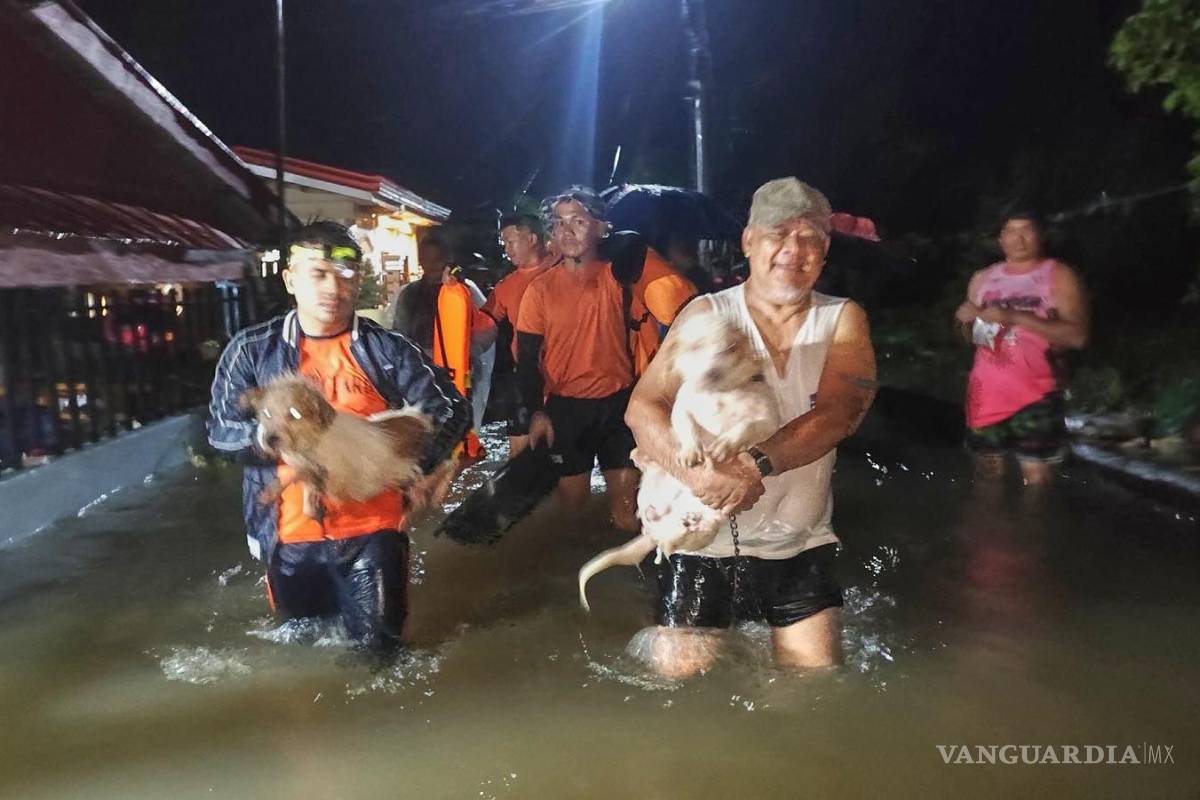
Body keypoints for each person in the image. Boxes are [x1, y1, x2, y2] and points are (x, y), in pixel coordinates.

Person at [624, 177, 876, 677]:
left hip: (799, 541)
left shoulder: (842, 318)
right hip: (702, 540)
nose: (793, 249)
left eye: (809, 238)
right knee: (674, 688)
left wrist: (753, 464)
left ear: (825, 252)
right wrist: (695, 475)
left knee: (815, 687)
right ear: (748, 242)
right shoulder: (705, 314)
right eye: (778, 234)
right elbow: (642, 407)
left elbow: (840, 412)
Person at [207, 221, 470, 653]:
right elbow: (219, 433)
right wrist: (279, 442)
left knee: (381, 659)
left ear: (359, 281)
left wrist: (420, 470)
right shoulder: (250, 350)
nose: (334, 286)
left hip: (375, 529)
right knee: (301, 653)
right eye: (318, 273)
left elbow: (451, 408)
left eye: (345, 274)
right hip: (288, 539)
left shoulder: (388, 349)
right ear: (291, 280)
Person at [515, 187, 664, 531]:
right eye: (559, 223)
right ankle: (574, 575)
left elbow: (635, 251)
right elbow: (526, 360)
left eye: (579, 221)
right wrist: (536, 411)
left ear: (600, 228)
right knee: (574, 510)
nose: (567, 231)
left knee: (628, 513)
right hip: (566, 410)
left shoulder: (620, 278)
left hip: (619, 407)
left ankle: (632, 577)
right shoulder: (539, 290)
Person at [953, 209, 1089, 486]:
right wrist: (963, 321)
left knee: (1037, 485)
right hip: (985, 395)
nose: (1019, 238)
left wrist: (1015, 317)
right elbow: (972, 339)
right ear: (1000, 239)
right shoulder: (982, 279)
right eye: (1011, 231)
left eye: (1027, 229)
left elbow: (1078, 337)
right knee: (986, 482)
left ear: (1041, 235)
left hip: (1037, 394)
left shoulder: (1059, 276)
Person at [389, 232, 495, 458]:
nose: (432, 266)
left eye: (436, 259)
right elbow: (398, 332)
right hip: (420, 375)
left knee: (460, 432)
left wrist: (467, 352)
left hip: (459, 371)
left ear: (447, 258)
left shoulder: (464, 290)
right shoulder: (409, 294)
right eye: (426, 260)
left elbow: (488, 329)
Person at [482, 213, 560, 456]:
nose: (506, 249)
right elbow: (484, 324)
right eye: (503, 243)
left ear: (532, 238)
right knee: (520, 458)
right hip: (527, 377)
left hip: (566, 379)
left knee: (565, 459)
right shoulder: (505, 286)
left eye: (510, 241)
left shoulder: (564, 268)